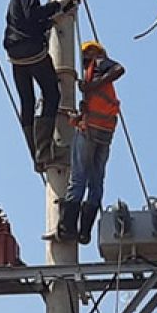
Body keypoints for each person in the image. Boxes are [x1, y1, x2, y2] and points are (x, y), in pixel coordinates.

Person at [3, 0, 80, 171]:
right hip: (32, 52)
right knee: (51, 94)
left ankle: (37, 155)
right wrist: (60, 2)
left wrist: (55, 19)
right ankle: (44, 150)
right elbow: (33, 15)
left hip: (16, 54)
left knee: (27, 102)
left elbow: (27, 23)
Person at [56, 40, 125, 244]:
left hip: (90, 131)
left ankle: (68, 227)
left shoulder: (98, 64)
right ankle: (84, 231)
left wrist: (92, 84)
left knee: (78, 180)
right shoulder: (95, 85)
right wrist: (76, 116)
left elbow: (120, 69)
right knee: (95, 183)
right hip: (104, 133)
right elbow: (96, 107)